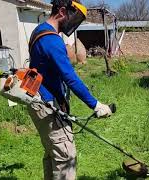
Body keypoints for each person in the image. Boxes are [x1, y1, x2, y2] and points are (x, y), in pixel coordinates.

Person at [27, 0, 113, 179]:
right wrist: (95, 105)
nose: (73, 23)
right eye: (73, 18)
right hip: (46, 104)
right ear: (61, 12)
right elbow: (71, 79)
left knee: (53, 154)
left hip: (38, 100)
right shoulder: (51, 41)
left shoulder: (39, 31)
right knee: (66, 157)